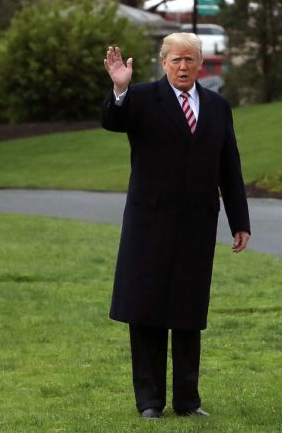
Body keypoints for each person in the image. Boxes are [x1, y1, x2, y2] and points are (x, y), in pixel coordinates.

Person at [101, 33, 250, 419]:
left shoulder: (218, 106)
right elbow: (113, 121)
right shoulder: (143, 98)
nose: (183, 67)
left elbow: (229, 166)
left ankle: (188, 401)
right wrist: (120, 89)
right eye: (175, 60)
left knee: (187, 311)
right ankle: (149, 401)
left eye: (190, 60)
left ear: (201, 64)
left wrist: (240, 221)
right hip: (149, 223)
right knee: (146, 309)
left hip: (197, 225)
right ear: (163, 63)